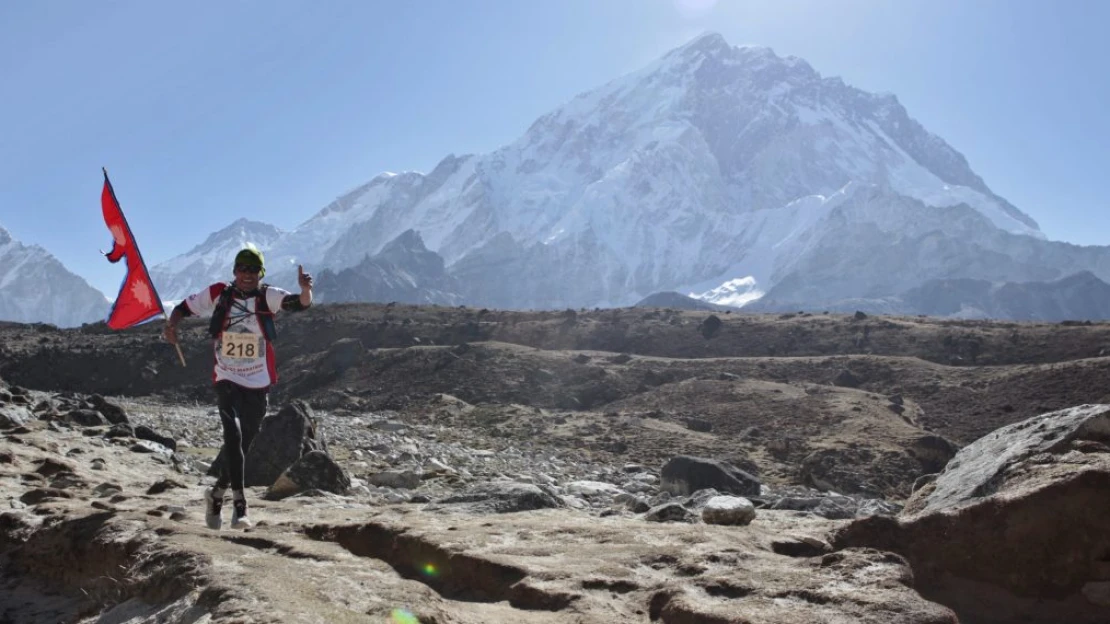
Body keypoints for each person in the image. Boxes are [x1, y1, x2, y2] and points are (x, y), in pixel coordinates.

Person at [163, 247, 313, 529]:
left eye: (253, 269)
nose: (247, 274)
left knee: (244, 444)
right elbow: (183, 308)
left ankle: (216, 493)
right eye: (242, 269)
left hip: (258, 381)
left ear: (261, 273)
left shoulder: (268, 295)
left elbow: (299, 304)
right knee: (232, 435)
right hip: (226, 376)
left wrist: (305, 290)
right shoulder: (219, 293)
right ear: (234, 271)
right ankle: (240, 507)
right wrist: (171, 326)